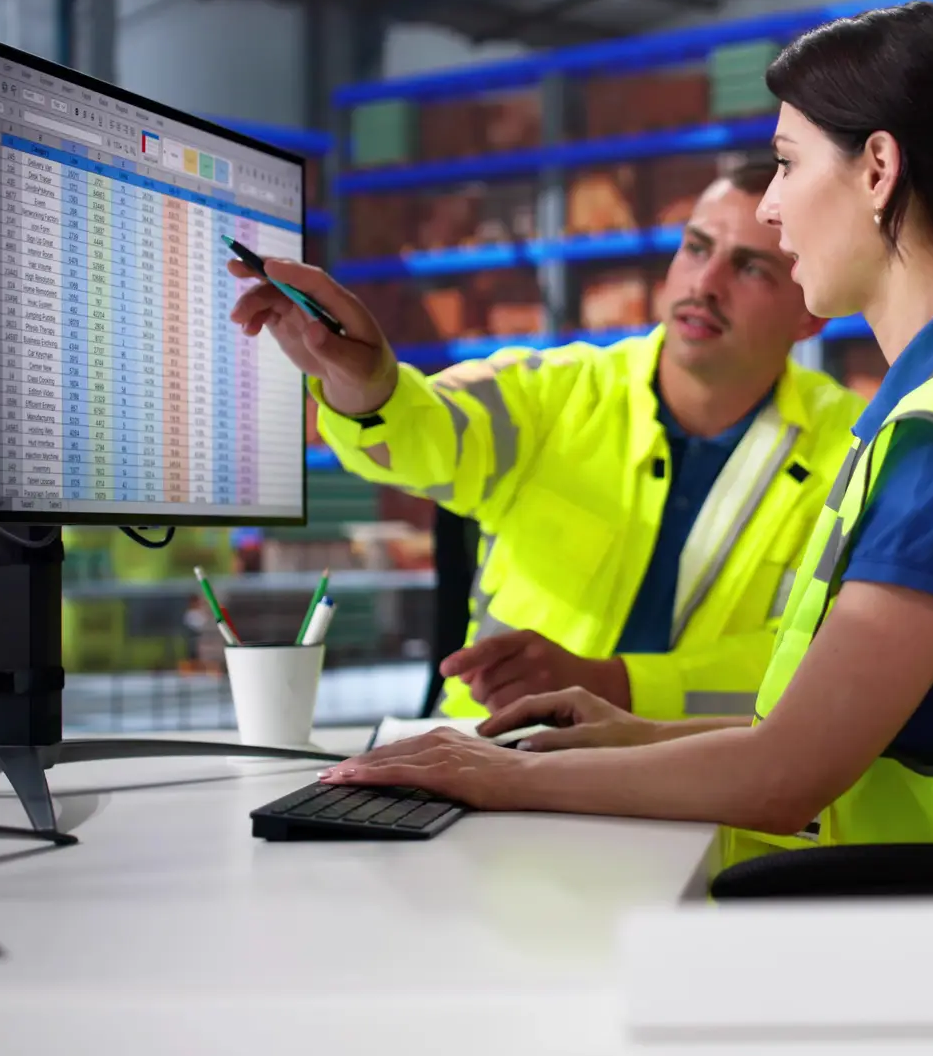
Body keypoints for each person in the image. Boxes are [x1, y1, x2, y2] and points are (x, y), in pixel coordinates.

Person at [315, 1, 933, 889]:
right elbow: (818, 731)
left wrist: (504, 775)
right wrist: (634, 733)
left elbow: (785, 776)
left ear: (877, 169)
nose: (771, 205)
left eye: (786, 163)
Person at [228, 163, 862, 722]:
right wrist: (367, 384)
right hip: (490, 756)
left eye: (751, 267)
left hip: (700, 790)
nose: (707, 283)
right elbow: (424, 432)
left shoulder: (854, 448)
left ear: (810, 311)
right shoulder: (552, 393)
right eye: (696, 249)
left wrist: (618, 686)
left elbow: (814, 661)